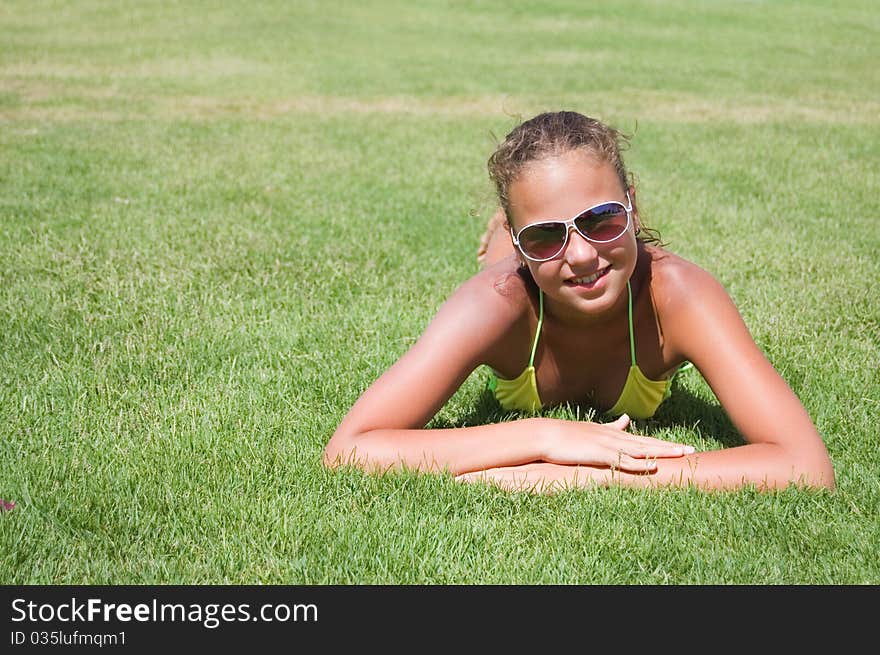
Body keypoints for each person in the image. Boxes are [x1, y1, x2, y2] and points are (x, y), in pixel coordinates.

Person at [324, 111, 835, 492]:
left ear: (632, 206)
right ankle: (505, 239)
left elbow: (806, 465)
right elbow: (350, 449)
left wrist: (599, 475)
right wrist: (542, 437)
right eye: (546, 236)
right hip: (517, 287)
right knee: (498, 274)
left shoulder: (679, 296)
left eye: (602, 219)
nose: (583, 256)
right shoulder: (493, 304)